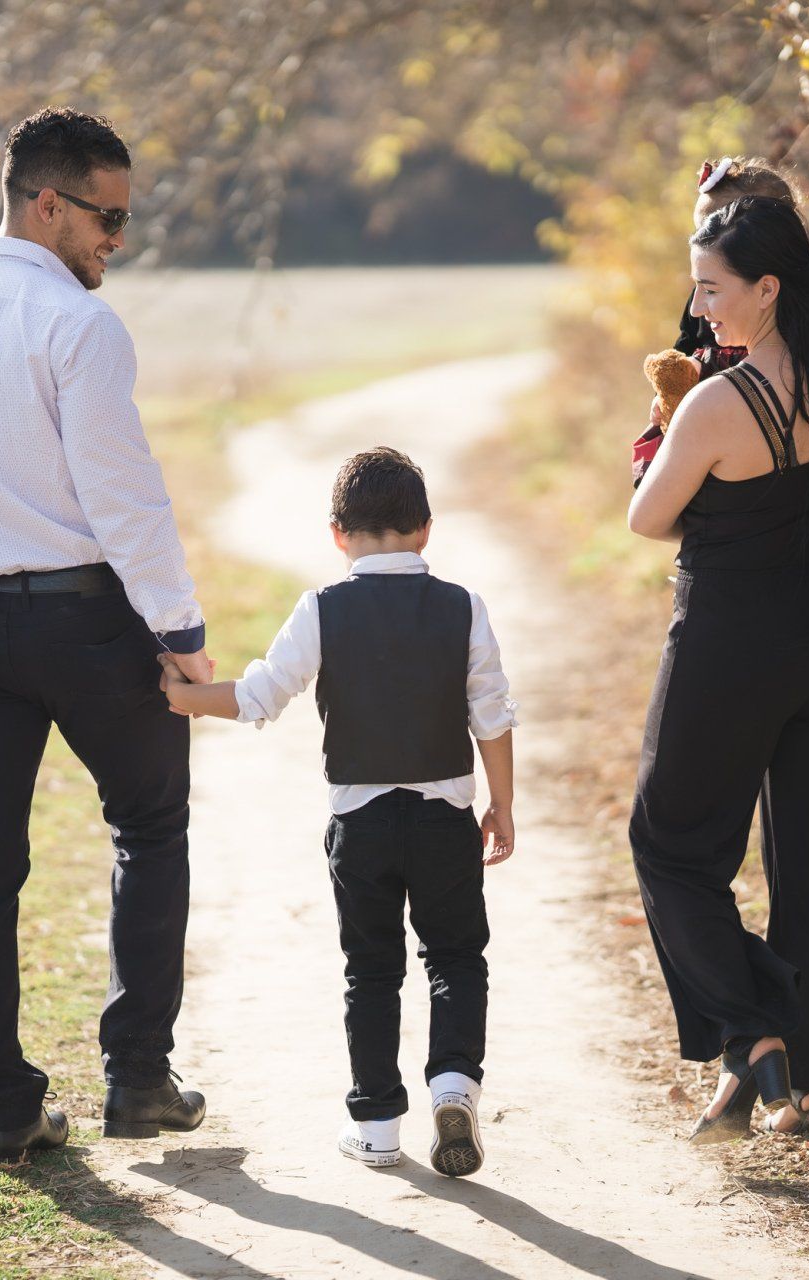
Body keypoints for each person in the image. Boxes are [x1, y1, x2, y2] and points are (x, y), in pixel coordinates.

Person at [0, 107, 211, 1163]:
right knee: (149, 825)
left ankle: (4, 1104)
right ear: (48, 204)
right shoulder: (80, 326)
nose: (120, 240)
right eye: (108, 219)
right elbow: (125, 497)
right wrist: (181, 631)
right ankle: (138, 1078)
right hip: (86, 620)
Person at [626, 196, 809, 1148]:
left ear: (768, 288)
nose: (699, 308)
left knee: (671, 844)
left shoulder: (718, 402)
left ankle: (754, 1035)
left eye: (712, 289)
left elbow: (648, 517)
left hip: (732, 646)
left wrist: (664, 427)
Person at [158, 447, 518, 1177]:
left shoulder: (322, 608)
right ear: (426, 529)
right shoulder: (463, 607)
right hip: (445, 819)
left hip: (362, 825)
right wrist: (501, 804)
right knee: (455, 956)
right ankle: (453, 1084)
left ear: (336, 535)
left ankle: (378, 1126)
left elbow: (259, 696)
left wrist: (180, 696)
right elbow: (492, 712)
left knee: (372, 970)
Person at [635, 157, 804, 483]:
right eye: (702, 230)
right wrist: (672, 391)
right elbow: (686, 348)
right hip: (704, 405)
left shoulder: (793, 305)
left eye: (716, 227)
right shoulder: (703, 300)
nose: (707, 238)